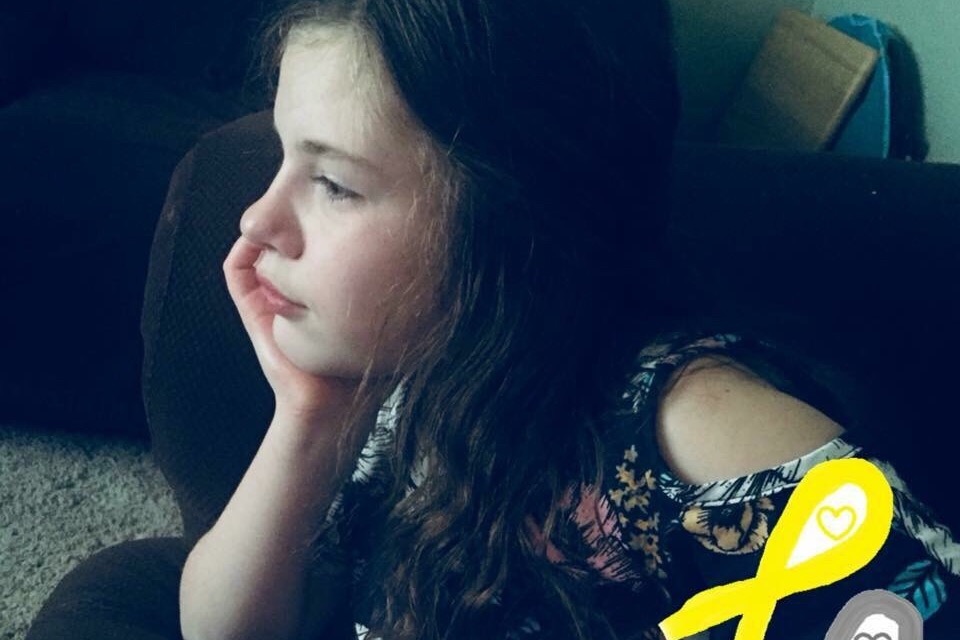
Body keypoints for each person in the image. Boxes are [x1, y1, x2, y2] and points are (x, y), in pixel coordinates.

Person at [179, 1, 960, 639]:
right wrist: (310, 419)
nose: (256, 220)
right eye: (283, 157)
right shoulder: (420, 369)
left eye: (334, 184)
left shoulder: (694, 436)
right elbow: (227, 630)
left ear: (513, 216)